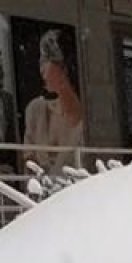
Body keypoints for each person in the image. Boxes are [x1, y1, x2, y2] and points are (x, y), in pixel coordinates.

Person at [23, 28, 84, 173]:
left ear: (64, 67)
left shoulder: (84, 114)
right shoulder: (35, 109)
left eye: (46, 60)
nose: (41, 69)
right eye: (41, 60)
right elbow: (28, 157)